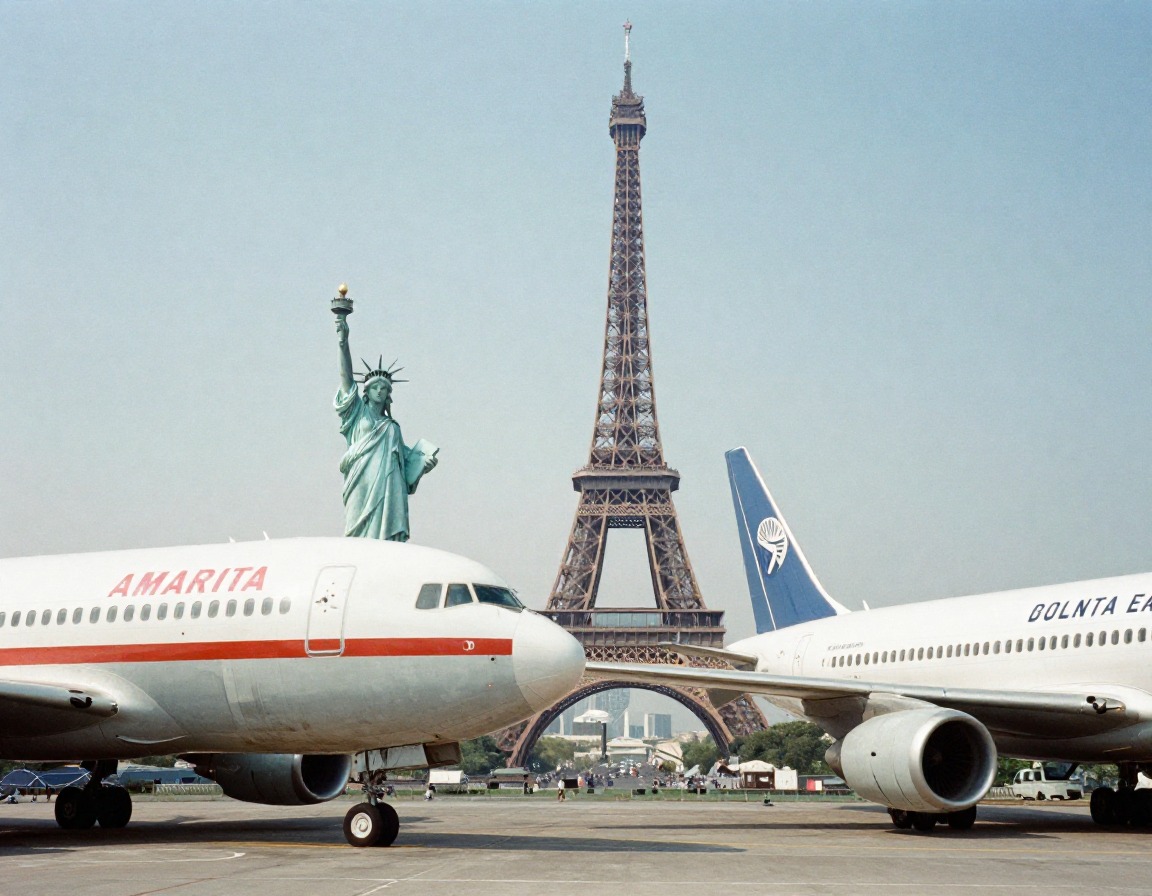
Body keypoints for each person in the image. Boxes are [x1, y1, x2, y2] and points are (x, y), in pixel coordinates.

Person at [335, 316, 437, 541]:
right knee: (355, 531)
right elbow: (346, 378)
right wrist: (343, 342)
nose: (380, 391)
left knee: (386, 540)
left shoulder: (392, 428)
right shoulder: (356, 414)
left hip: (389, 487)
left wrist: (423, 466)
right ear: (367, 391)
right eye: (375, 387)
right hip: (360, 479)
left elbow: (406, 467)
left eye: (384, 388)